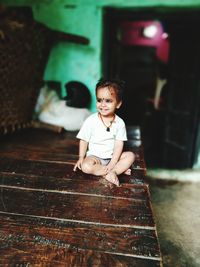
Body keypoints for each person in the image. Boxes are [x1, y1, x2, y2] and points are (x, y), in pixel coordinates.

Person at [73, 78, 135, 186]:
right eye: (99, 100)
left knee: (130, 156)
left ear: (118, 104)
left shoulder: (119, 123)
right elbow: (84, 139)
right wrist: (81, 157)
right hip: (95, 158)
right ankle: (109, 173)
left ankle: (114, 170)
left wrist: (113, 162)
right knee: (86, 166)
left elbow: (119, 144)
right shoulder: (91, 120)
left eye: (108, 101)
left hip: (113, 156)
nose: (103, 104)